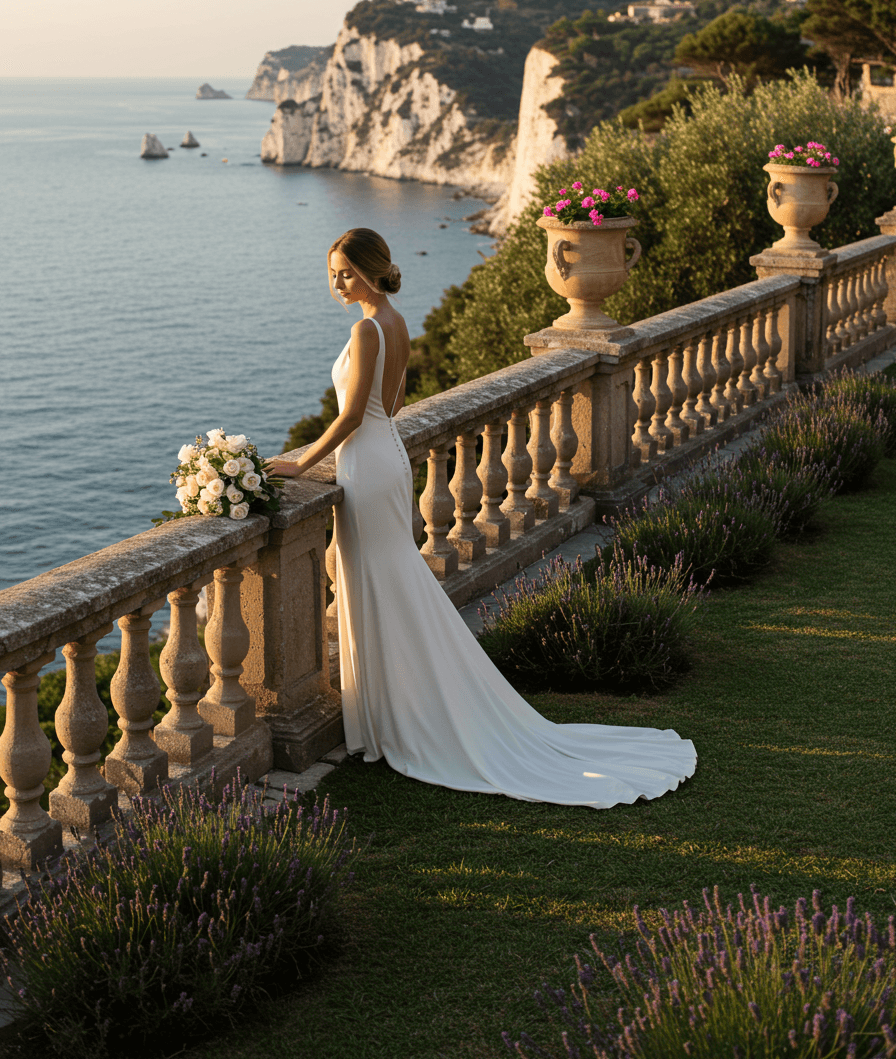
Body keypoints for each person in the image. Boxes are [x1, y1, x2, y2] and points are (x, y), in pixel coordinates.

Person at [269, 228, 696, 807]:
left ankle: (392, 720)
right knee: (385, 581)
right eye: (331, 273)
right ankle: (387, 714)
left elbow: (349, 420)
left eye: (345, 272)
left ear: (370, 271)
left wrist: (300, 465)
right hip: (385, 455)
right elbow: (390, 406)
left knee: (379, 581)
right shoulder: (395, 322)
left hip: (365, 463)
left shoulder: (367, 329)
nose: (336, 283)